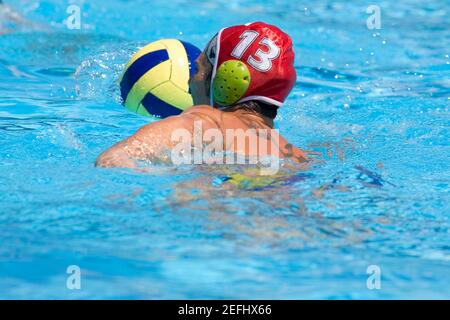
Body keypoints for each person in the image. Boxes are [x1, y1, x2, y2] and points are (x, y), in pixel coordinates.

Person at [96, 22, 308, 169]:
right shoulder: (298, 156)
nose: (189, 82)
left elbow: (113, 159)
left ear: (227, 81)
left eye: (197, 71)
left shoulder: (206, 123)